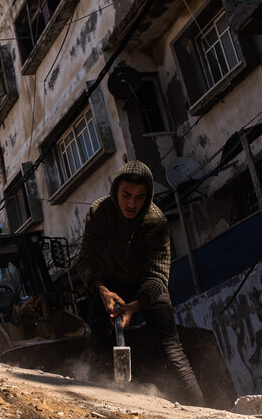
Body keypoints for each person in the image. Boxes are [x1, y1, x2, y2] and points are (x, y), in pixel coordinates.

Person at [77, 160, 204, 406]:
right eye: (126, 195)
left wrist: (135, 306)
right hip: (110, 284)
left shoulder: (156, 221)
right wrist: (102, 290)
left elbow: (158, 275)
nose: (131, 204)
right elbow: (86, 261)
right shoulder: (99, 212)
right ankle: (101, 404)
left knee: (172, 349)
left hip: (146, 286)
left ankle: (202, 410)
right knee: (99, 343)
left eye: (139, 197)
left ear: (148, 197)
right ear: (115, 191)